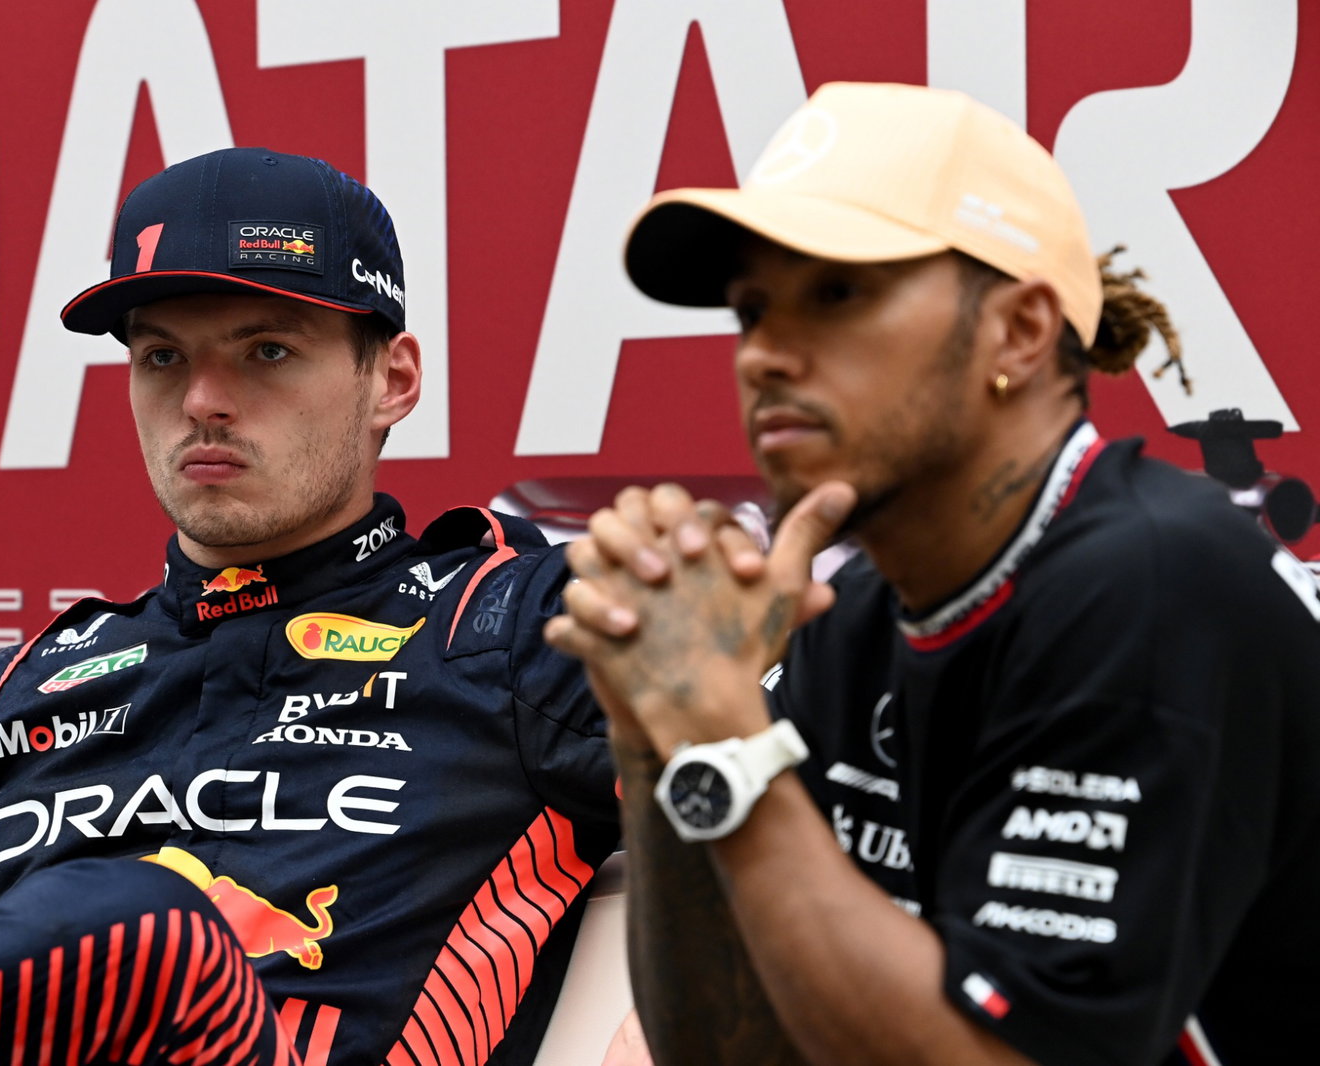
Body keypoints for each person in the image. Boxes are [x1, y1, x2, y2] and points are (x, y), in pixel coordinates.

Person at [0, 148, 621, 1066]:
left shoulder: (514, 627)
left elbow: (761, 786)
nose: (201, 402)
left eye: (266, 351)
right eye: (161, 356)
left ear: (391, 380)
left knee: (144, 920)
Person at [545, 81, 1320, 1065]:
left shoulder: (1155, 585)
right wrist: (657, 733)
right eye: (750, 311)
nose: (764, 357)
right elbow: (726, 1049)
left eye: (837, 293)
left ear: (1021, 332)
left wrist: (723, 730)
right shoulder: (856, 617)